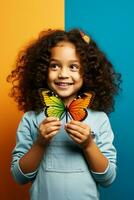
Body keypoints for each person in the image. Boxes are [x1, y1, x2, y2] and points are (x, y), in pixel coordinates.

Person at [7, 28, 121, 200]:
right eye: (54, 65)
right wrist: (40, 143)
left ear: (87, 73)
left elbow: (108, 178)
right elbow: (19, 177)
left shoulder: (99, 119)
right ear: (42, 69)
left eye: (73, 67)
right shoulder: (31, 119)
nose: (63, 74)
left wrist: (88, 145)